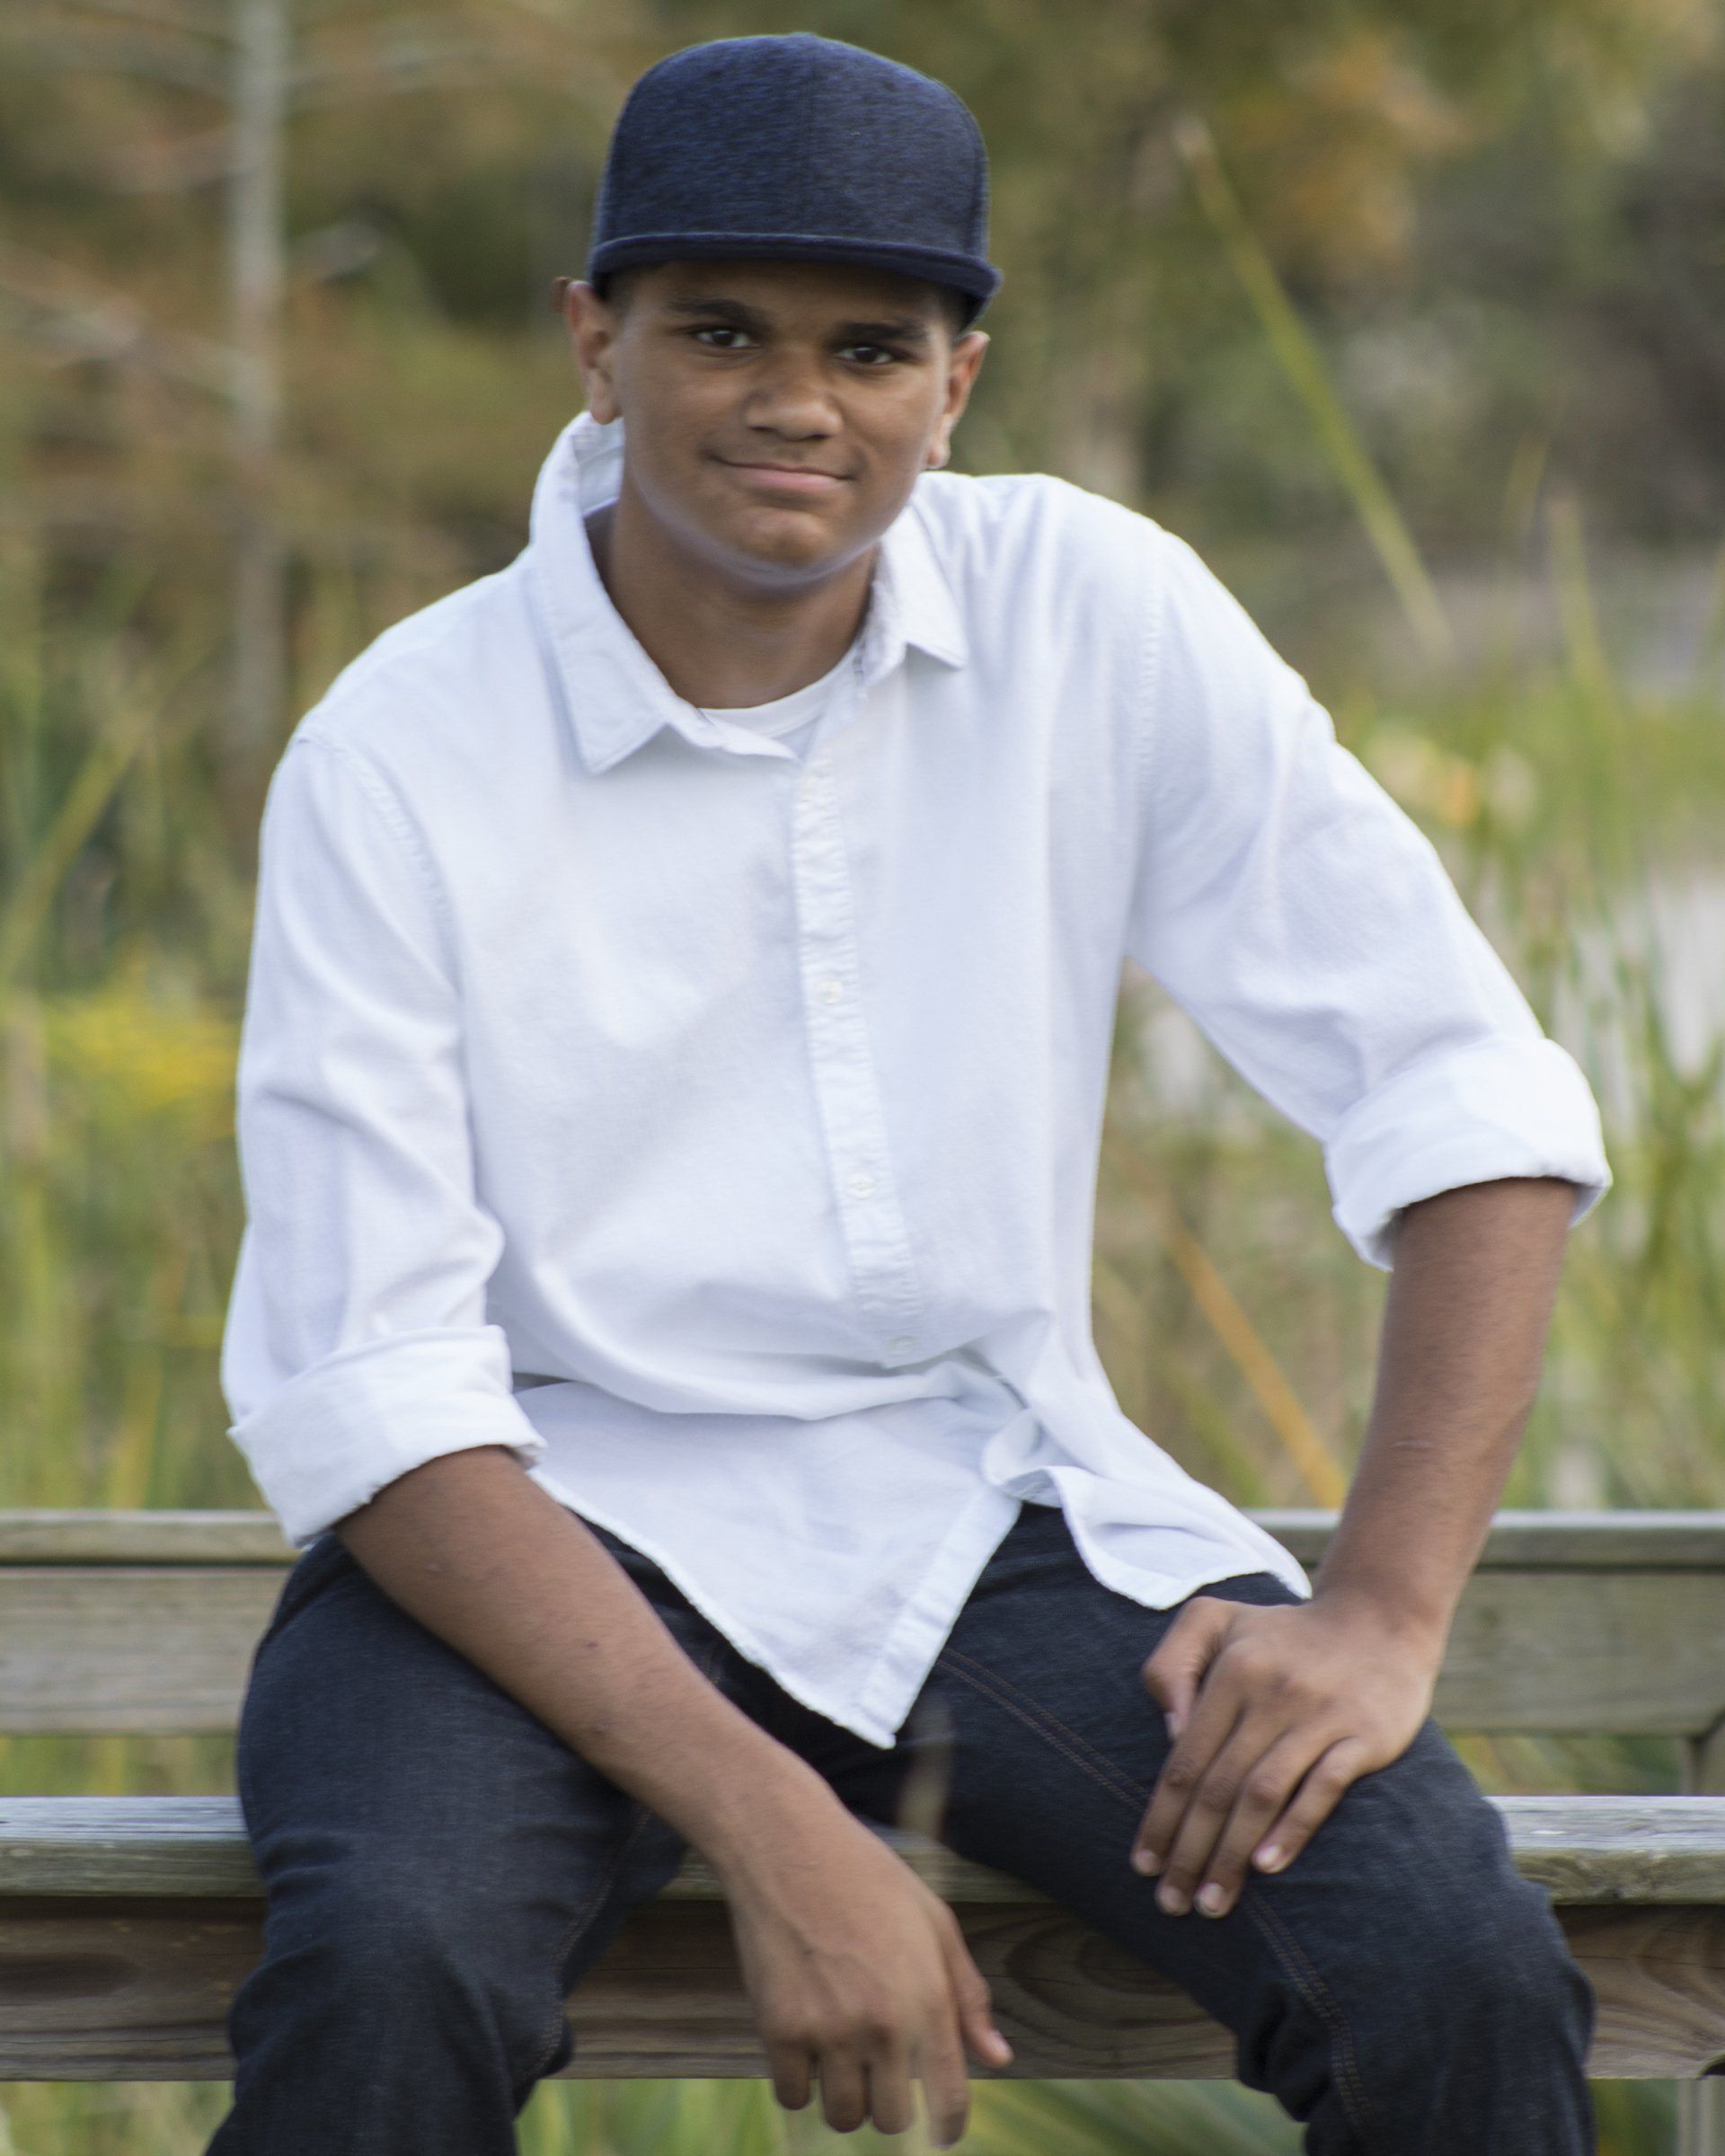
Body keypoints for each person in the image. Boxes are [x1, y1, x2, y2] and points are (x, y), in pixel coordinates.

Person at [208, 31, 1611, 2156]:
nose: (798, 399)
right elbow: (376, 1384)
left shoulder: (1098, 612)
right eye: (721, 332)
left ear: (957, 384)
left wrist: (1386, 1615)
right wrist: (782, 1833)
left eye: (874, 345)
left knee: (1450, 1968)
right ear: (596, 342)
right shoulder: (400, 752)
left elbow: (1461, 1094)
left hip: (992, 1512)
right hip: (533, 1542)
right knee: (387, 1966)